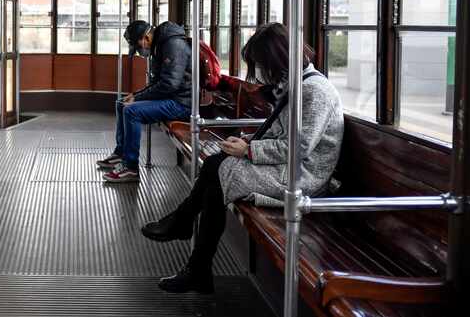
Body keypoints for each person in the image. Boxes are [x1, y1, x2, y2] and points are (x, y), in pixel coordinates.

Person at [140, 22, 344, 293]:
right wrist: (247, 141)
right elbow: (280, 132)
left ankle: (187, 238)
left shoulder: (315, 92)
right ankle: (190, 249)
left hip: (303, 176)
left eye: (262, 64)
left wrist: (248, 150)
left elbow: (300, 148)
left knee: (219, 172)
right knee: (216, 165)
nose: (260, 72)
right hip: (287, 166)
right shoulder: (298, 83)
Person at [97, 20, 221, 183]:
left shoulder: (173, 45)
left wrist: (138, 98)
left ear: (145, 38)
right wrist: (136, 94)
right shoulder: (161, 44)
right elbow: (158, 82)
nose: (140, 52)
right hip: (172, 98)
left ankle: (130, 167)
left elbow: (169, 84)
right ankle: (121, 153)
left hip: (183, 104)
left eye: (138, 47)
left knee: (131, 111)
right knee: (122, 103)